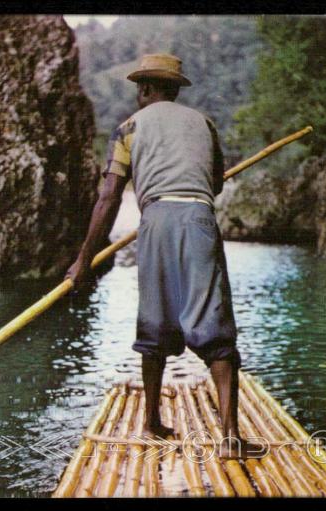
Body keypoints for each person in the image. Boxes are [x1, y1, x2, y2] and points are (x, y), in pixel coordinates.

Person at [66, 54, 261, 459]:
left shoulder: (128, 129)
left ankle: (152, 420)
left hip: (155, 220)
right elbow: (216, 186)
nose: (139, 94)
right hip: (198, 219)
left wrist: (86, 259)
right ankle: (229, 437)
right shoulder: (204, 124)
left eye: (141, 88)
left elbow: (109, 197)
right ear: (175, 90)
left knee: (153, 320)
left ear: (146, 90)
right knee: (215, 325)